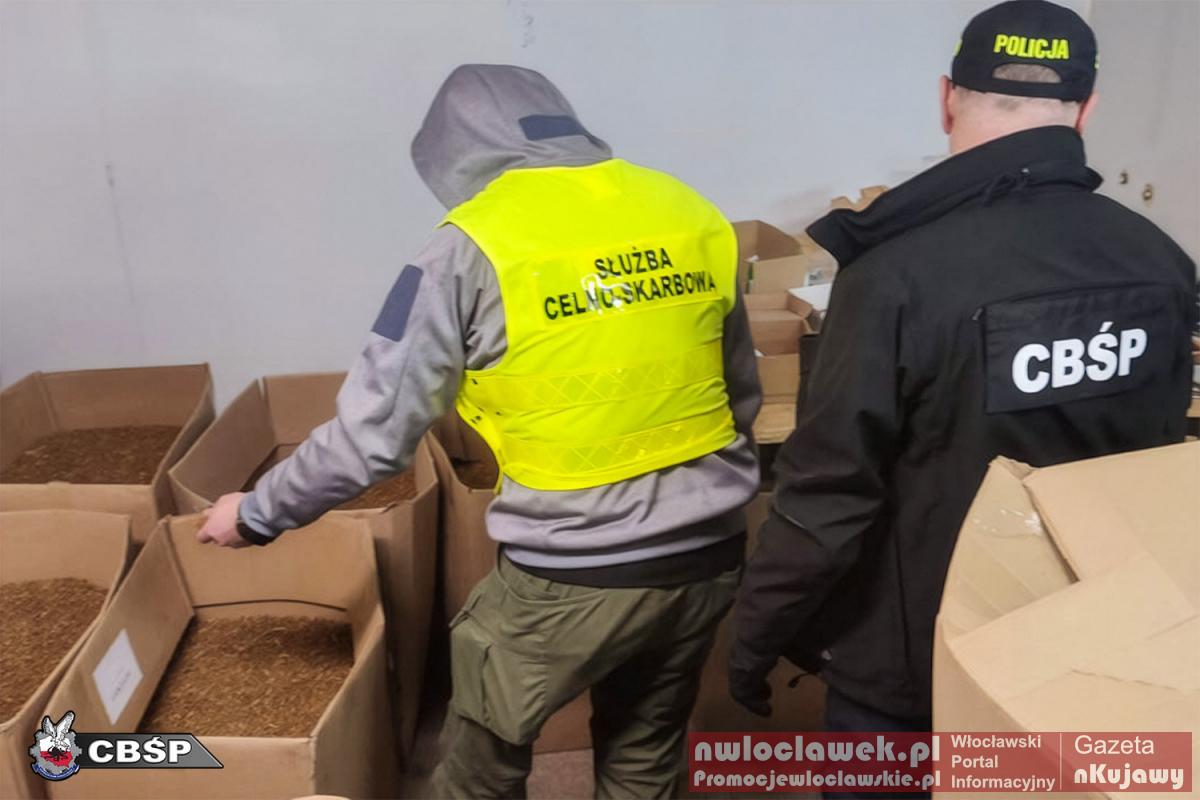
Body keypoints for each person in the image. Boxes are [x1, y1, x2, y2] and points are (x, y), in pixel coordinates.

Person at [197, 64, 762, 798]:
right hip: (707, 558)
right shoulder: (687, 210)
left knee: (477, 774)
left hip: (571, 574)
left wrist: (256, 512)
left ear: (454, 153)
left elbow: (374, 435)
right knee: (645, 750)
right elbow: (737, 395)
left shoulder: (469, 245)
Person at [730, 2, 1196, 797]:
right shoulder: (1161, 261)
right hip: (1092, 648)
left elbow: (828, 497)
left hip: (915, 669)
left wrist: (753, 641)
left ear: (947, 99)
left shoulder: (894, 277)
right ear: (1087, 109)